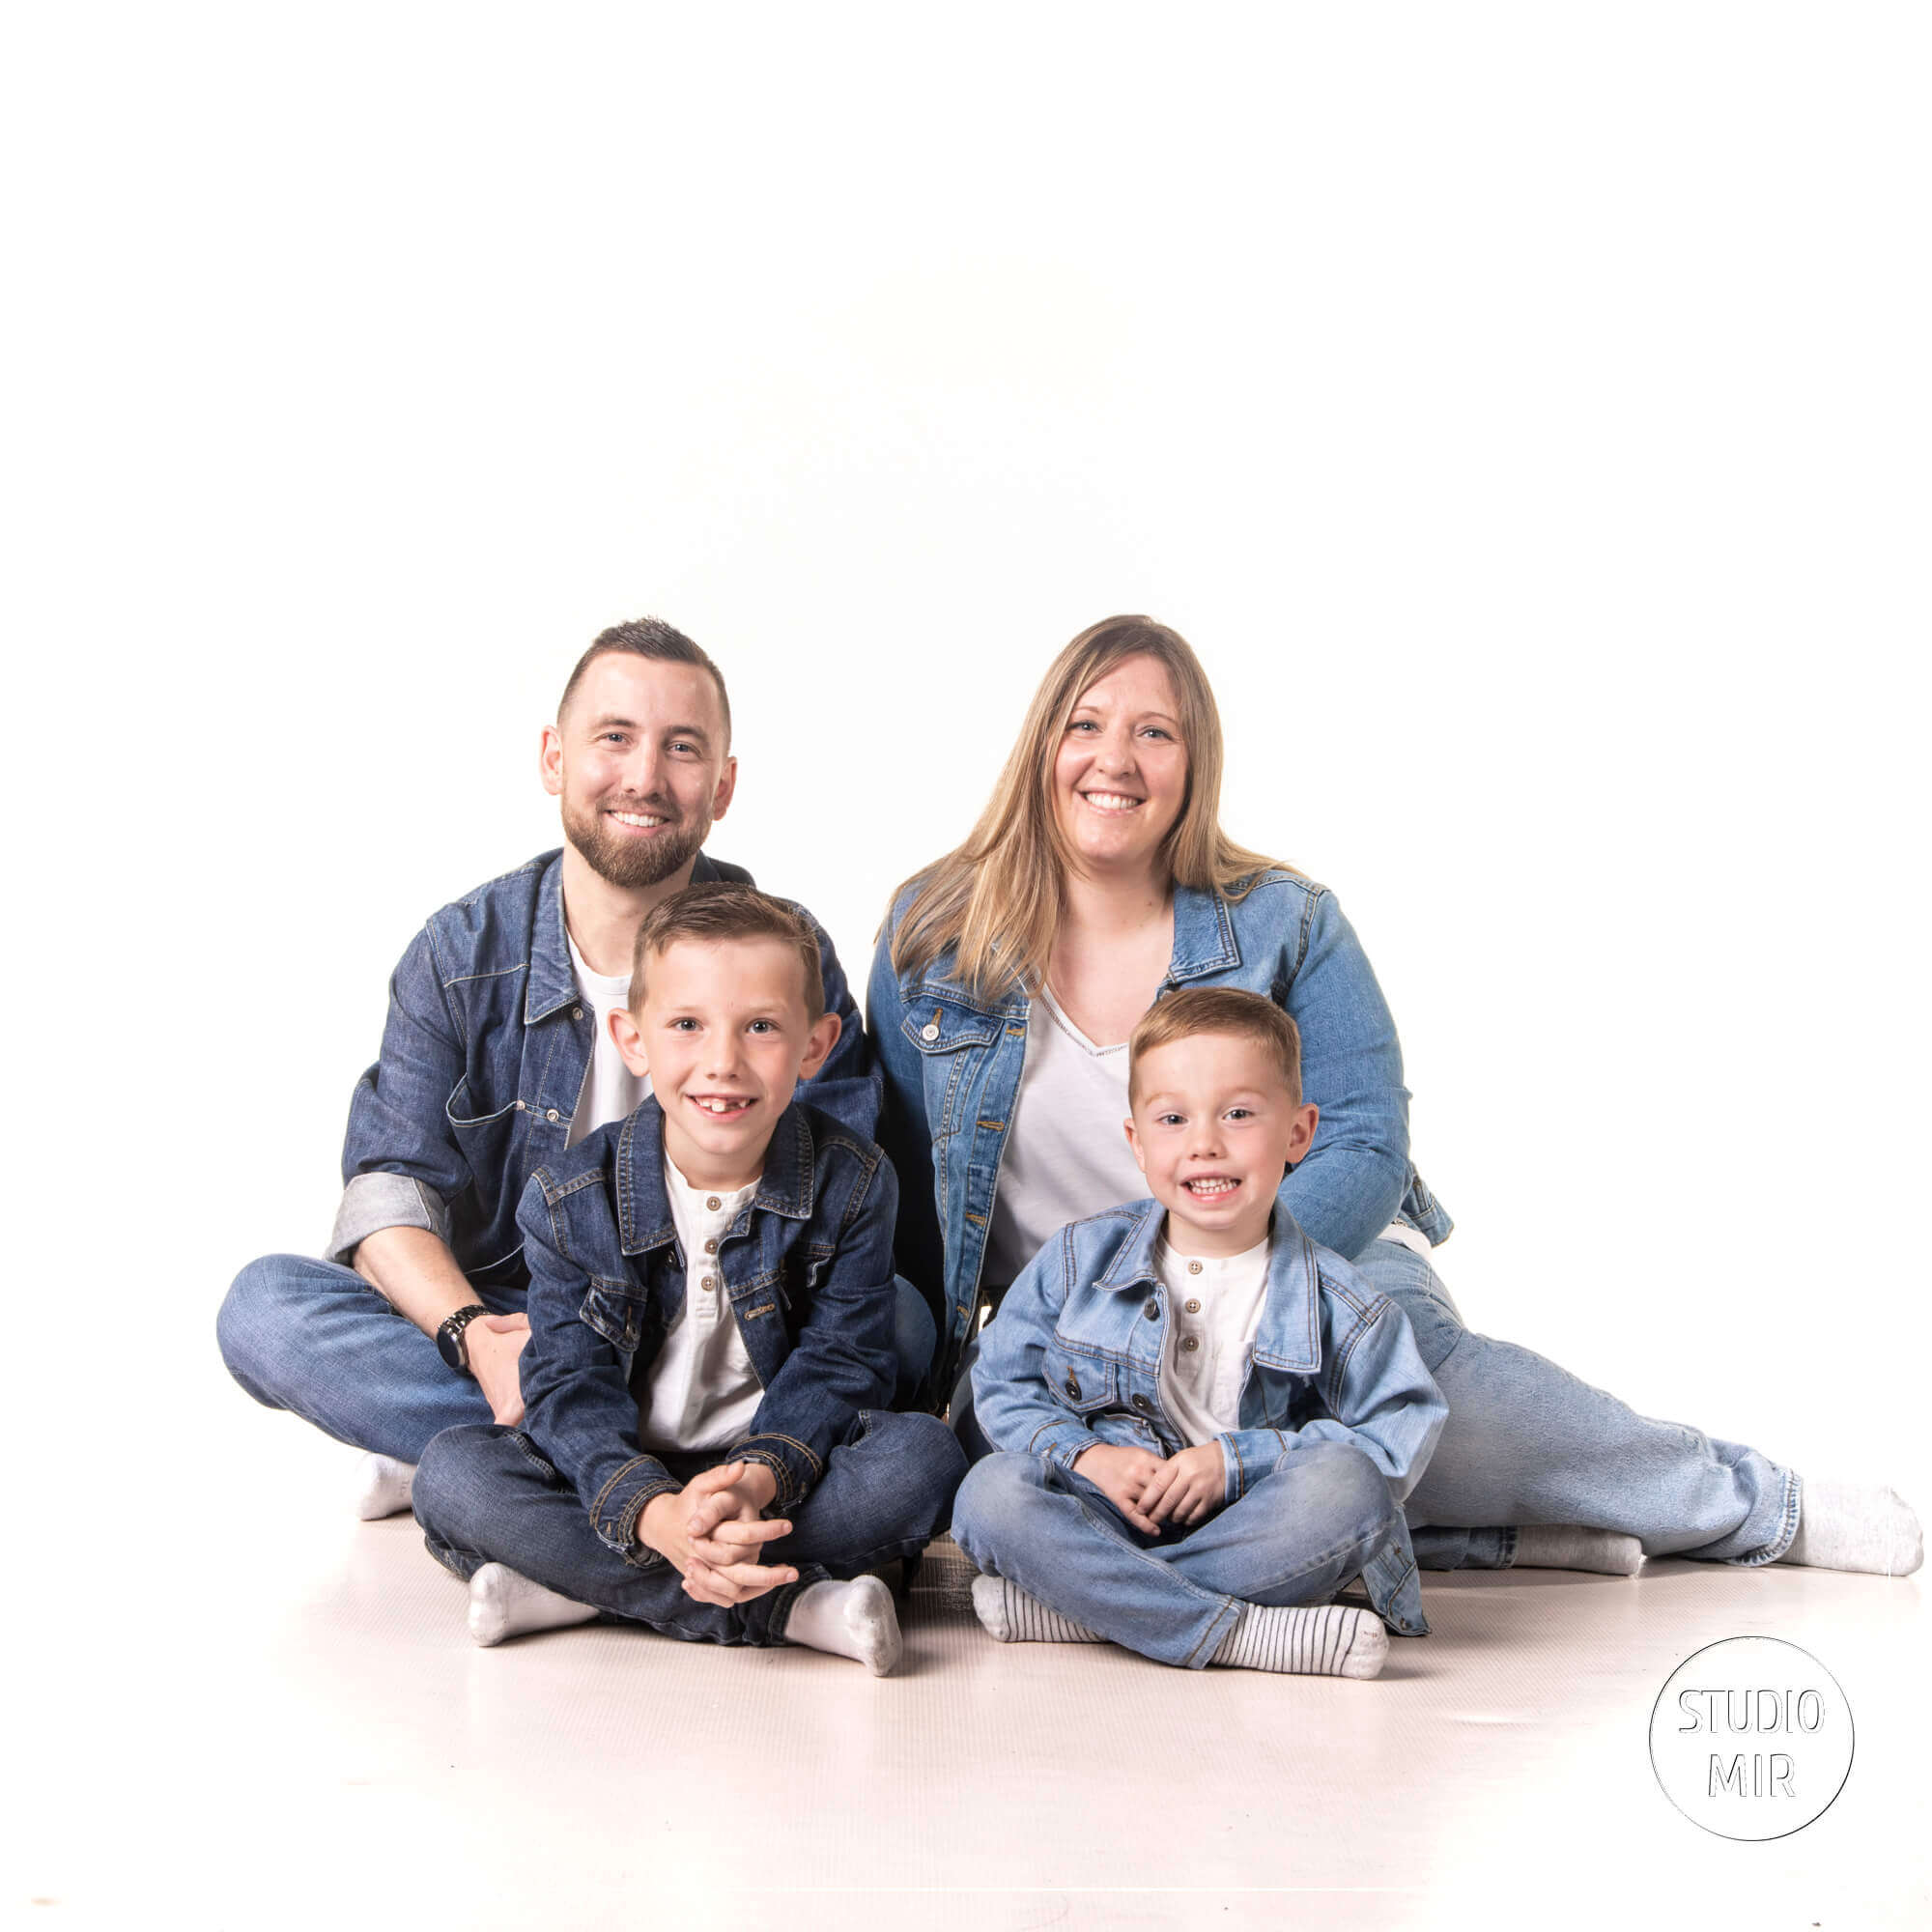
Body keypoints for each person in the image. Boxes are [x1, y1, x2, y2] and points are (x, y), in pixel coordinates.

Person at [871, 615, 1921, 1578]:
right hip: (1079, 1327)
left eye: (1156, 732)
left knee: (1412, 1382)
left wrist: (1227, 1286)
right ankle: (1480, 1535)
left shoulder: (1285, 920)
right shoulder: (933, 933)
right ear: (1040, 745)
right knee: (1021, 1485)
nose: (1115, 759)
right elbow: (908, 1197)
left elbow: (1365, 1139)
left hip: (1305, 1264)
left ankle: (1756, 1506)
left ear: (1193, 768)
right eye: (1087, 724)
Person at [218, 617, 935, 1520]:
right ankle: (647, 1468)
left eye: (682, 748)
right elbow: (391, 1191)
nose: (644, 777)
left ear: (723, 786)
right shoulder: (458, 953)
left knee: (901, 1320)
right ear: (555, 757)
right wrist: (473, 1336)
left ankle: (526, 1479)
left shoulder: (782, 948)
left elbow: (842, 1189)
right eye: (614, 738)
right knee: (266, 1311)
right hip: (524, 1321)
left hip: (740, 1326)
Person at [411, 886, 966, 1670]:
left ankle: (576, 1589)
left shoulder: (854, 1180)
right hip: (619, 1476)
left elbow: (842, 1365)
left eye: (762, 1028)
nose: (723, 1063)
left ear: (816, 1045)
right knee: (454, 1476)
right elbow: (569, 1388)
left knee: (926, 1461)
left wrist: (756, 1480)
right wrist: (653, 1513)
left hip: (773, 1478)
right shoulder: (570, 1197)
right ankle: (791, 1608)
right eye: (687, 1026)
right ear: (632, 1040)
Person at [952, 988, 1448, 1678]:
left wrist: (1236, 1463)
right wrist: (1087, 1457)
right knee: (990, 1493)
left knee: (1350, 1488)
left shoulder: (1345, 1302)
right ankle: (1237, 1633)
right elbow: (1004, 1383)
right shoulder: (1078, 1259)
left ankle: (1089, 1607)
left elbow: (1397, 1434)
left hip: (1255, 1526)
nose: (1205, 1144)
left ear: (1300, 1133)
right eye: (1174, 1119)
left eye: (1239, 1114)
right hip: (1108, 1510)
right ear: (1137, 1140)